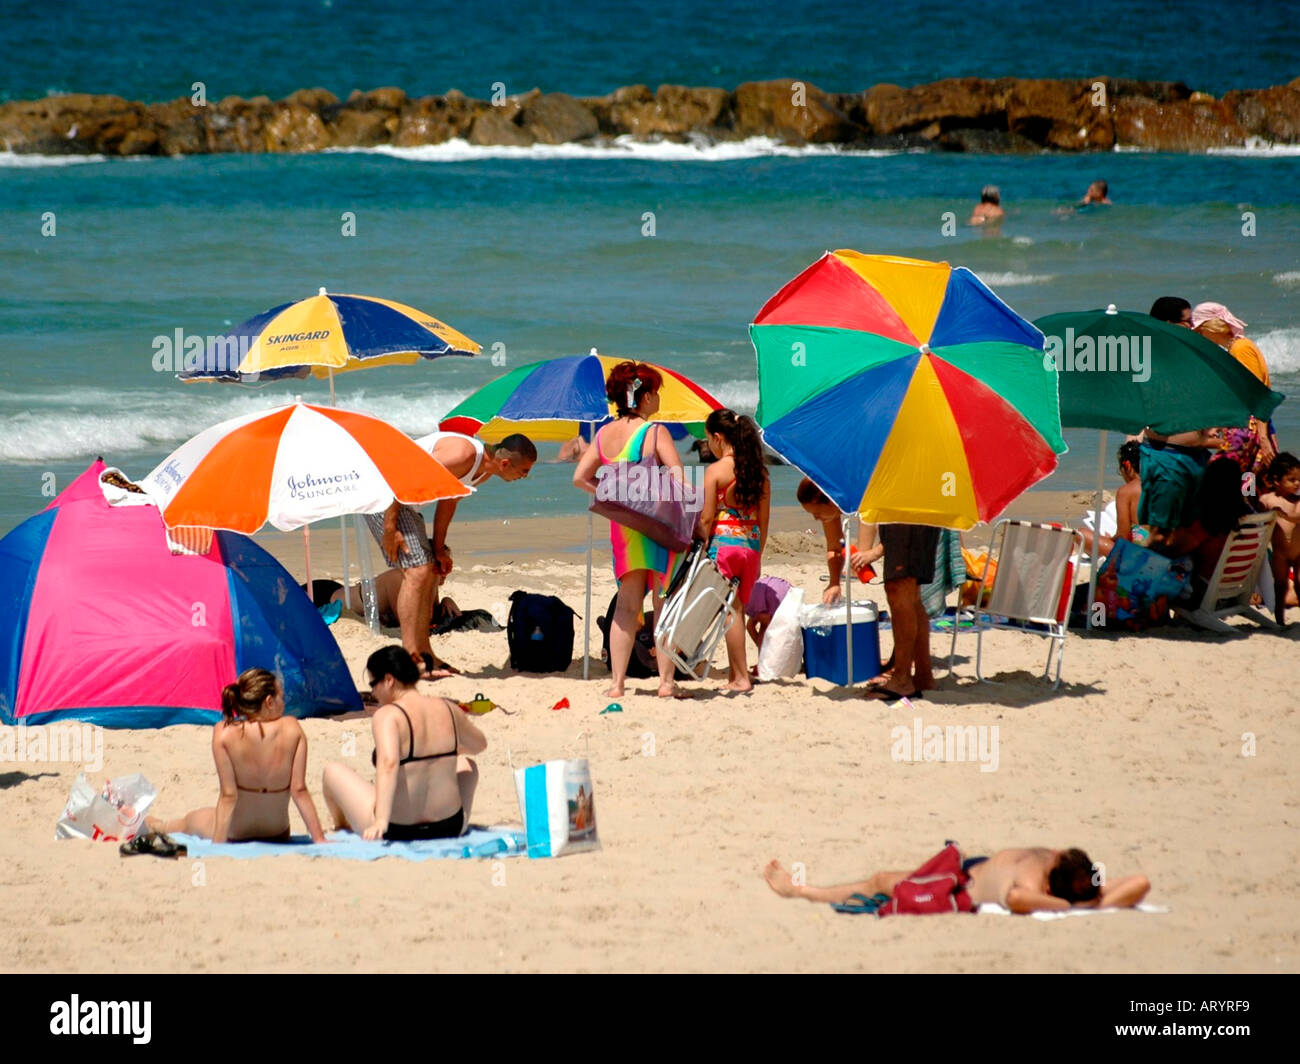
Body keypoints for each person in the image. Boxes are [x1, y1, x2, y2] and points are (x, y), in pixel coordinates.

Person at [366, 431, 536, 678]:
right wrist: (390, 528)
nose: (525, 477)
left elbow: (448, 502)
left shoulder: (484, 472)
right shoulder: (463, 454)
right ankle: (412, 658)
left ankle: (425, 654)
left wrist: (439, 550)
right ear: (506, 463)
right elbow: (402, 479)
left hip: (404, 503)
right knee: (417, 572)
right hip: (385, 495)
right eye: (524, 471)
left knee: (429, 571)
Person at [573, 361, 691, 699]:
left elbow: (579, 478)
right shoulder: (654, 432)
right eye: (656, 393)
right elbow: (680, 480)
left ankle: (617, 684)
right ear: (645, 395)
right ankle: (666, 684)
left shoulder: (604, 434)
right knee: (663, 601)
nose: (658, 400)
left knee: (626, 606)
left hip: (623, 528)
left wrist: (614, 494)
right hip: (657, 527)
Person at [322, 646, 486, 841]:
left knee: (331, 772)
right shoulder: (449, 708)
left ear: (389, 680)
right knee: (467, 764)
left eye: (374, 684)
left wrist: (381, 821)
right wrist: (444, 749)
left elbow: (389, 764)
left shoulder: (388, 715)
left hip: (399, 829)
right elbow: (479, 745)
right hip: (450, 826)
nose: (373, 693)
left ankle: (342, 826)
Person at [150, 669, 327, 844]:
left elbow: (229, 795)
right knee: (202, 816)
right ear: (269, 702)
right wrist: (319, 838)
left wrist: (218, 844)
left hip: (237, 833)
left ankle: (157, 825)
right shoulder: (292, 728)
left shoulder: (224, 732)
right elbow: (299, 790)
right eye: (281, 696)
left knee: (188, 822)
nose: (284, 702)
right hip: (277, 833)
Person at [764, 847, 1150, 914]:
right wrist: (1093, 896)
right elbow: (1141, 881)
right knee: (882, 879)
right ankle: (802, 889)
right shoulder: (1072, 873)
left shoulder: (1036, 887)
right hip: (971, 867)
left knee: (880, 882)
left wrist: (1077, 905)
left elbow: (1016, 898)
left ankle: (800, 891)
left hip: (959, 887)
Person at [696, 409, 772, 693]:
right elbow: (763, 522)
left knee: (731, 612)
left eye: (708, 440)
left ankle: (740, 677)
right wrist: (758, 554)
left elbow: (706, 518)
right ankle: (736, 673)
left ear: (718, 438)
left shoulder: (715, 471)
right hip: (751, 548)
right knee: (736, 609)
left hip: (724, 548)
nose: (709, 447)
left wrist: (701, 546)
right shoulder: (759, 473)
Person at [865, 521, 939, 702]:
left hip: (906, 514)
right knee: (911, 591)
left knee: (900, 587)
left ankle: (903, 679)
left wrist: (875, 551)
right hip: (913, 513)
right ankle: (922, 676)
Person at [796, 478, 874, 605]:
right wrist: (834, 583)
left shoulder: (862, 492)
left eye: (817, 513)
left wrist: (872, 554)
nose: (815, 519)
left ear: (830, 501)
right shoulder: (829, 504)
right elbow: (834, 546)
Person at [1079, 439, 1142, 559]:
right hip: (1162, 549)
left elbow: (1123, 537)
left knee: (1082, 534)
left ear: (1127, 466)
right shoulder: (1159, 485)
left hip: (1137, 555)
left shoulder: (1126, 491)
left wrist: (1110, 538)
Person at [1260, 452, 1300, 626]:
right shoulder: (1268, 500)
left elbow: (1297, 517)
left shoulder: (1298, 502)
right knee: (1280, 586)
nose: (1297, 483)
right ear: (1277, 480)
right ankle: (1279, 619)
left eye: (1299, 479)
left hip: (1299, 552)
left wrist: (1285, 515)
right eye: (1292, 479)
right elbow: (1257, 516)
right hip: (1280, 554)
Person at [746, 575, 792, 657]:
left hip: (776, 593)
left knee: (769, 628)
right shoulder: (756, 606)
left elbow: (751, 626)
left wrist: (763, 650)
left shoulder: (756, 607)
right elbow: (750, 626)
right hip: (783, 589)